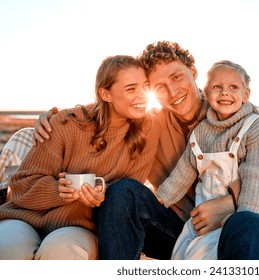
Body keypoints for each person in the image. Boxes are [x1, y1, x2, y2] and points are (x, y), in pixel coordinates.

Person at [33, 41, 259, 260]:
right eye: (160, 87)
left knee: (250, 223)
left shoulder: (240, 118)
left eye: (178, 77)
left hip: (237, 230)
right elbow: (107, 108)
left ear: (194, 72)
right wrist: (57, 118)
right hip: (178, 234)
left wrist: (231, 203)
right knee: (122, 192)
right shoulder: (150, 124)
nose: (173, 90)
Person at [0, 55, 160, 260]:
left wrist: (102, 195)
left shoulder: (147, 130)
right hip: (24, 218)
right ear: (105, 94)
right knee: (9, 248)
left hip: (79, 226)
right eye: (131, 89)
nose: (142, 96)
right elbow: (21, 186)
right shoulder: (65, 123)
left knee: (61, 252)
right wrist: (60, 190)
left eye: (145, 86)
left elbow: (125, 197)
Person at [155, 60, 259, 259]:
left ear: (246, 95)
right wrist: (160, 199)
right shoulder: (201, 131)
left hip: (239, 218)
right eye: (217, 87)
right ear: (207, 93)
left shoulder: (255, 127)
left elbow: (256, 179)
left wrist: (241, 218)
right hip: (203, 218)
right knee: (193, 254)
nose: (224, 93)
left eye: (233, 87)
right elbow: (183, 173)